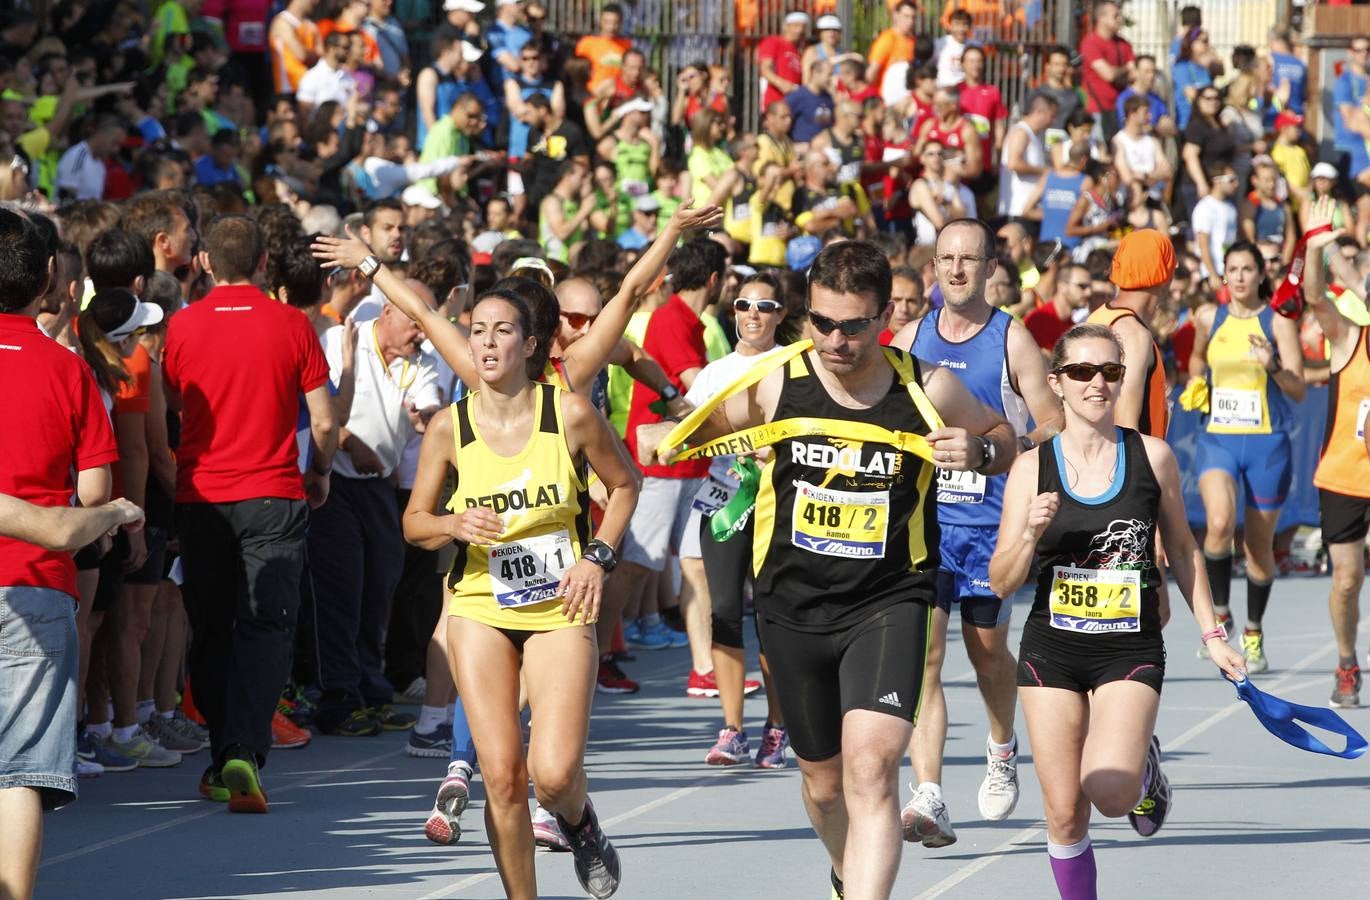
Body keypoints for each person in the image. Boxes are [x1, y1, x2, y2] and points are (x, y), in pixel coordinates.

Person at [641, 240, 1019, 899]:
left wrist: (982, 450)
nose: (836, 341)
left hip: (889, 600)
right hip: (793, 606)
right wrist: (660, 434)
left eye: (853, 325)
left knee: (872, 769)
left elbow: (1005, 439)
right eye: (821, 323)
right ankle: (847, 872)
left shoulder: (927, 385)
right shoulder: (776, 380)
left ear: (883, 319)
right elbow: (700, 428)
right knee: (822, 783)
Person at [989, 322, 1246, 900]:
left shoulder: (1151, 457)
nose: (1097, 384)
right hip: (1050, 650)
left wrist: (1213, 634)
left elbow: (1182, 547)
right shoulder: (1031, 469)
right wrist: (1029, 535)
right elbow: (1000, 579)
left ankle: (1142, 765)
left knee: (1108, 792)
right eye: (1081, 371)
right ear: (1056, 382)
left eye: (1110, 371)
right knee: (1063, 815)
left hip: (1127, 647)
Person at [402, 284, 640, 900]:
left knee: (554, 775)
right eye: (478, 329)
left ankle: (579, 821)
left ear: (530, 344)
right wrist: (452, 523)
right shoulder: (449, 429)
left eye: (502, 330)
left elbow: (625, 486)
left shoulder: (570, 414)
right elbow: (414, 522)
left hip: (561, 606)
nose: (486, 341)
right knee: (502, 779)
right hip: (481, 606)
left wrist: (597, 559)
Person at [893, 218, 1063, 848]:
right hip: (925, 519)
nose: (957, 270)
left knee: (987, 651)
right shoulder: (909, 337)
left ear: (992, 267)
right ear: (933, 265)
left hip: (992, 521)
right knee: (927, 656)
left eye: (969, 259)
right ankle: (928, 794)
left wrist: (995, 453)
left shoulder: (1012, 339)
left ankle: (1000, 745)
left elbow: (1053, 422)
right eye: (946, 259)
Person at [164, 215, 338, 813]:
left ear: (206, 262)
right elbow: (325, 420)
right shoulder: (292, 324)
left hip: (202, 498)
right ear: (264, 263)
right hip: (273, 493)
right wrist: (320, 473)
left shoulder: (182, 327)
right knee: (265, 625)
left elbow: (173, 405)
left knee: (211, 627)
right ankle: (244, 749)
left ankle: (223, 755)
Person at [0, 209, 120, 900]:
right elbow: (93, 494)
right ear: (50, 277)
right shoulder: (68, 370)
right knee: (18, 772)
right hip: (40, 582)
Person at [1186, 241, 1306, 673]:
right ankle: (1220, 615)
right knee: (1217, 523)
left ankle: (1253, 633)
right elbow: (1197, 360)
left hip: (1266, 443)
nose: (1239, 277)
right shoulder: (1208, 317)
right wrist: (1197, 382)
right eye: (1231, 269)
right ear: (1223, 276)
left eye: (1247, 269)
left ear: (1260, 275)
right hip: (1217, 437)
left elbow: (1297, 389)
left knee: (1258, 547)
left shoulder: (1279, 323)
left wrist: (1270, 363)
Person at [689, 272, 793, 768]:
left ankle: (778, 725)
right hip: (724, 497)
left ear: (782, 315)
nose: (753, 314)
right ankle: (732, 728)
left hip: (779, 500)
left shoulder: (795, 365)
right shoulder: (713, 373)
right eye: (744, 305)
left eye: (765, 306)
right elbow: (688, 432)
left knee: (771, 614)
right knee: (724, 610)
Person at [1291, 198, 1367, 706]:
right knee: (1346, 580)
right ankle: (1346, 659)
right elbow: (1314, 298)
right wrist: (1317, 246)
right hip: (1344, 477)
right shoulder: (1351, 339)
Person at [1078, 0, 1134, 141]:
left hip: (1122, 109)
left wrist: (1121, 71)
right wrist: (1126, 69)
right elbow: (1108, 74)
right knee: (1100, 152)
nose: (1120, 19)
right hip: (1098, 109)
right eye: (1115, 16)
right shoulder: (1091, 43)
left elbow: (1134, 73)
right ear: (1101, 18)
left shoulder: (1124, 44)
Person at [1026, 263, 1091, 353]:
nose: (1089, 292)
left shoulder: (1071, 326)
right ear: (1062, 286)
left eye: (1089, 287)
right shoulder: (1040, 319)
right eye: (1082, 286)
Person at [759, 11, 809, 111]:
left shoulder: (802, 50)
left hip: (795, 102)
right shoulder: (773, 42)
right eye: (796, 26)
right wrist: (781, 84)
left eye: (803, 27)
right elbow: (765, 69)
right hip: (775, 102)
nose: (800, 30)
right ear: (786, 27)